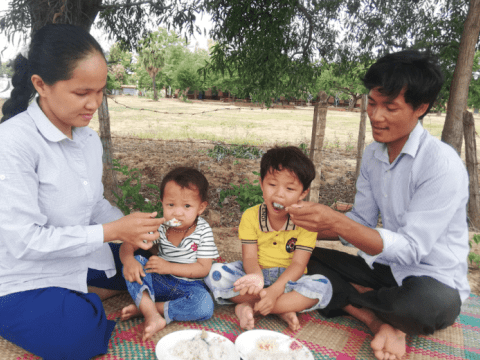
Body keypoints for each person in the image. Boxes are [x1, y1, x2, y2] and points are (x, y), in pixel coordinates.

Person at [287, 50, 470, 360]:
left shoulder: (441, 164)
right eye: (372, 102)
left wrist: (336, 221)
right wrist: (303, 227)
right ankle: (376, 319)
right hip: (387, 268)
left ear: (421, 108)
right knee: (299, 257)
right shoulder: (374, 155)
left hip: (432, 279)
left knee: (423, 308)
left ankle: (360, 299)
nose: (376, 115)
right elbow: (362, 220)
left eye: (390, 106)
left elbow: (412, 249)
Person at [0, 24, 164, 360]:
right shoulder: (13, 143)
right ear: (40, 85)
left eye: (101, 91)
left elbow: (94, 204)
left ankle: (83, 293)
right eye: (81, 93)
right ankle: (82, 297)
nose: (94, 103)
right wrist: (112, 232)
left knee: (155, 266)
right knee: (78, 339)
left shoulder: (87, 139)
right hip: (21, 275)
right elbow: (25, 241)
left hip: (75, 255)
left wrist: (133, 229)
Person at [205, 146, 332, 331]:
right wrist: (256, 278)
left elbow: (298, 264)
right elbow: (249, 258)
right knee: (215, 273)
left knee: (323, 285)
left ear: (303, 192)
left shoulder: (306, 221)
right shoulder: (251, 216)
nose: (279, 194)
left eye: (289, 188)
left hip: (289, 281)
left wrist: (275, 290)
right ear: (261, 183)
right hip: (255, 274)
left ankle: (252, 307)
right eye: (272, 185)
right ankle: (283, 307)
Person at [119, 167, 219, 340]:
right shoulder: (160, 225)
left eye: (187, 206)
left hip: (189, 286)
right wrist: (128, 261)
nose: (177, 212)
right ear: (162, 202)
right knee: (137, 263)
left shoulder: (203, 230)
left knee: (204, 305)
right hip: (160, 281)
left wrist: (169, 266)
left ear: (201, 208)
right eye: (170, 205)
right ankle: (151, 314)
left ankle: (147, 308)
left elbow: (203, 268)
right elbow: (128, 244)